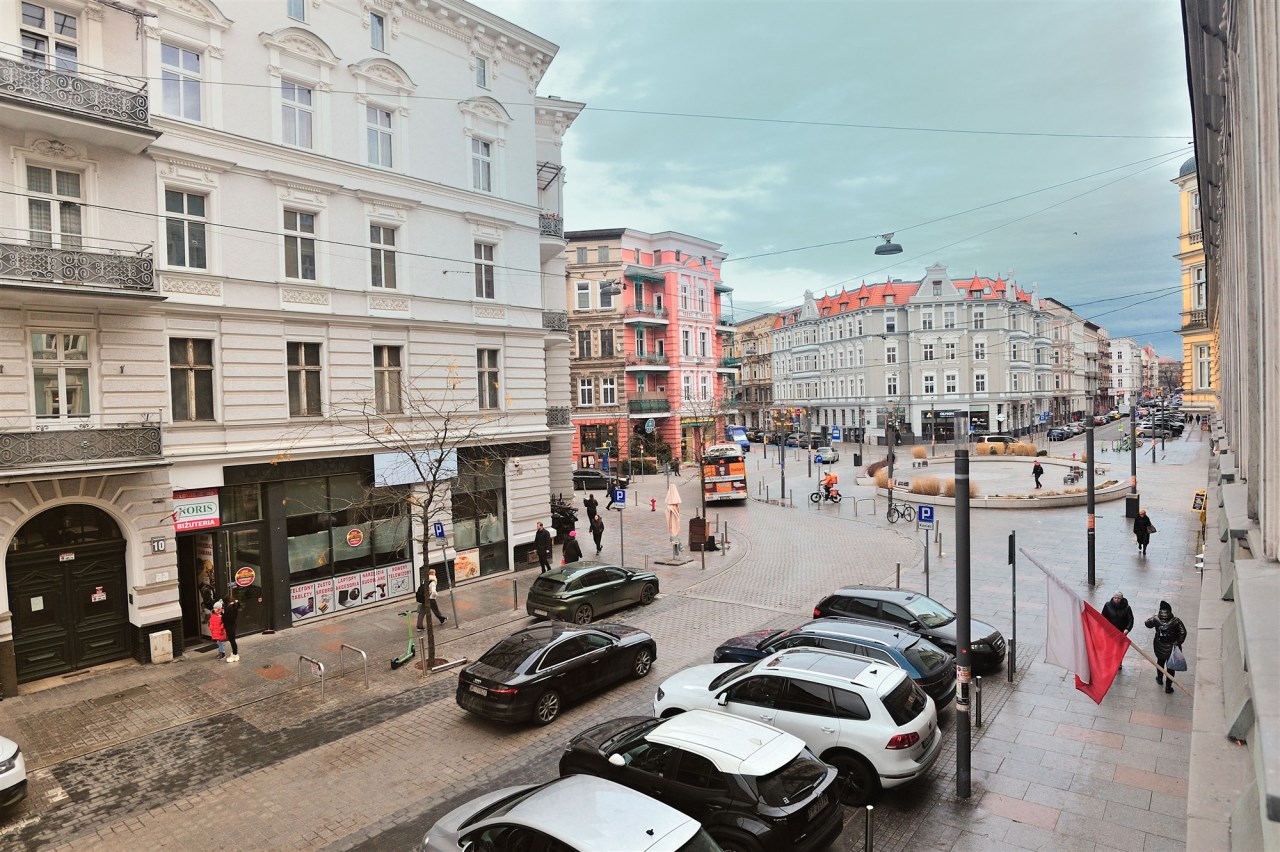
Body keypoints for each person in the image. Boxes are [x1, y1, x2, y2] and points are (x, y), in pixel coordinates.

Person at [1144, 600, 1187, 694]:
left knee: (1160, 662)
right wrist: (1177, 642)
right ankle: (1168, 687)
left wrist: (1154, 617)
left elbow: (1147, 623)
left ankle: (1159, 678)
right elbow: (1183, 632)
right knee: (1171, 667)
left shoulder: (1156, 619)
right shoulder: (1176, 621)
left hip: (1159, 646)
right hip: (1172, 648)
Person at [1101, 591, 1134, 668]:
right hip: (1109, 631)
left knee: (1119, 648)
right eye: (1115, 598)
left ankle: (1119, 662)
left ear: (1121, 599)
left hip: (1121, 632)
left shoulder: (1127, 608)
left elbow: (1131, 620)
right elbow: (1103, 617)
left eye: (1118, 598)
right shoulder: (1107, 605)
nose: (1116, 599)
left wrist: (1127, 629)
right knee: (1109, 647)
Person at [222, 589, 241, 663]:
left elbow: (227, 618)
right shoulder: (233, 606)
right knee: (232, 640)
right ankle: (234, 653)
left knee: (232, 640)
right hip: (231, 625)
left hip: (230, 626)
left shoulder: (230, 608)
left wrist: (222, 615)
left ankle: (235, 655)